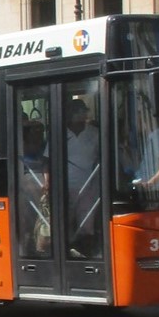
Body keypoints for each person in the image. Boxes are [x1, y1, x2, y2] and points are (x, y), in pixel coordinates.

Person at [66, 98, 100, 257]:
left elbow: (102, 156)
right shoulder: (61, 133)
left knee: (86, 223)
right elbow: (48, 159)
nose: (83, 116)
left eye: (84, 112)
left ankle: (85, 253)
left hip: (90, 185)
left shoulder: (94, 133)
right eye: (79, 112)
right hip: (66, 186)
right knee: (67, 220)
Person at [19, 119, 50, 254]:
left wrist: (47, 181)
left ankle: (40, 246)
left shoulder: (43, 146)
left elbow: (45, 164)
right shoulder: (20, 146)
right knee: (27, 220)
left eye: (41, 131)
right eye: (35, 131)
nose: (39, 134)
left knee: (41, 217)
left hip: (39, 184)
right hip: (25, 183)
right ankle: (27, 248)